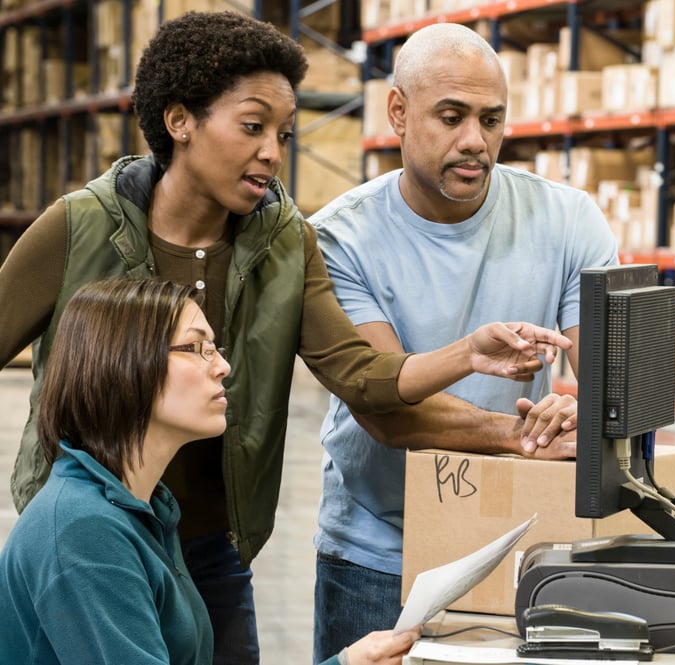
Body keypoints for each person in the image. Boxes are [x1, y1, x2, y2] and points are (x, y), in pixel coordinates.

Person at [0, 12, 570, 665]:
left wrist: (467, 353)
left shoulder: (284, 241)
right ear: (180, 120)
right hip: (96, 523)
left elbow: (359, 372)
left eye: (284, 132)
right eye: (252, 127)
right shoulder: (78, 227)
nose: (274, 150)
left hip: (203, 539)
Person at [309, 22, 619, 662]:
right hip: (377, 552)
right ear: (398, 112)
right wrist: (525, 435)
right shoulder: (340, 240)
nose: (475, 141)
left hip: (516, 542)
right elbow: (386, 409)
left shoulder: (566, 219)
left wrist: (582, 411)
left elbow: (612, 379)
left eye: (491, 119)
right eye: (451, 117)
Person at [0, 278, 422, 665]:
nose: (222, 365)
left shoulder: (143, 509)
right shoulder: (84, 533)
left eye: (215, 348)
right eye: (197, 347)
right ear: (127, 362)